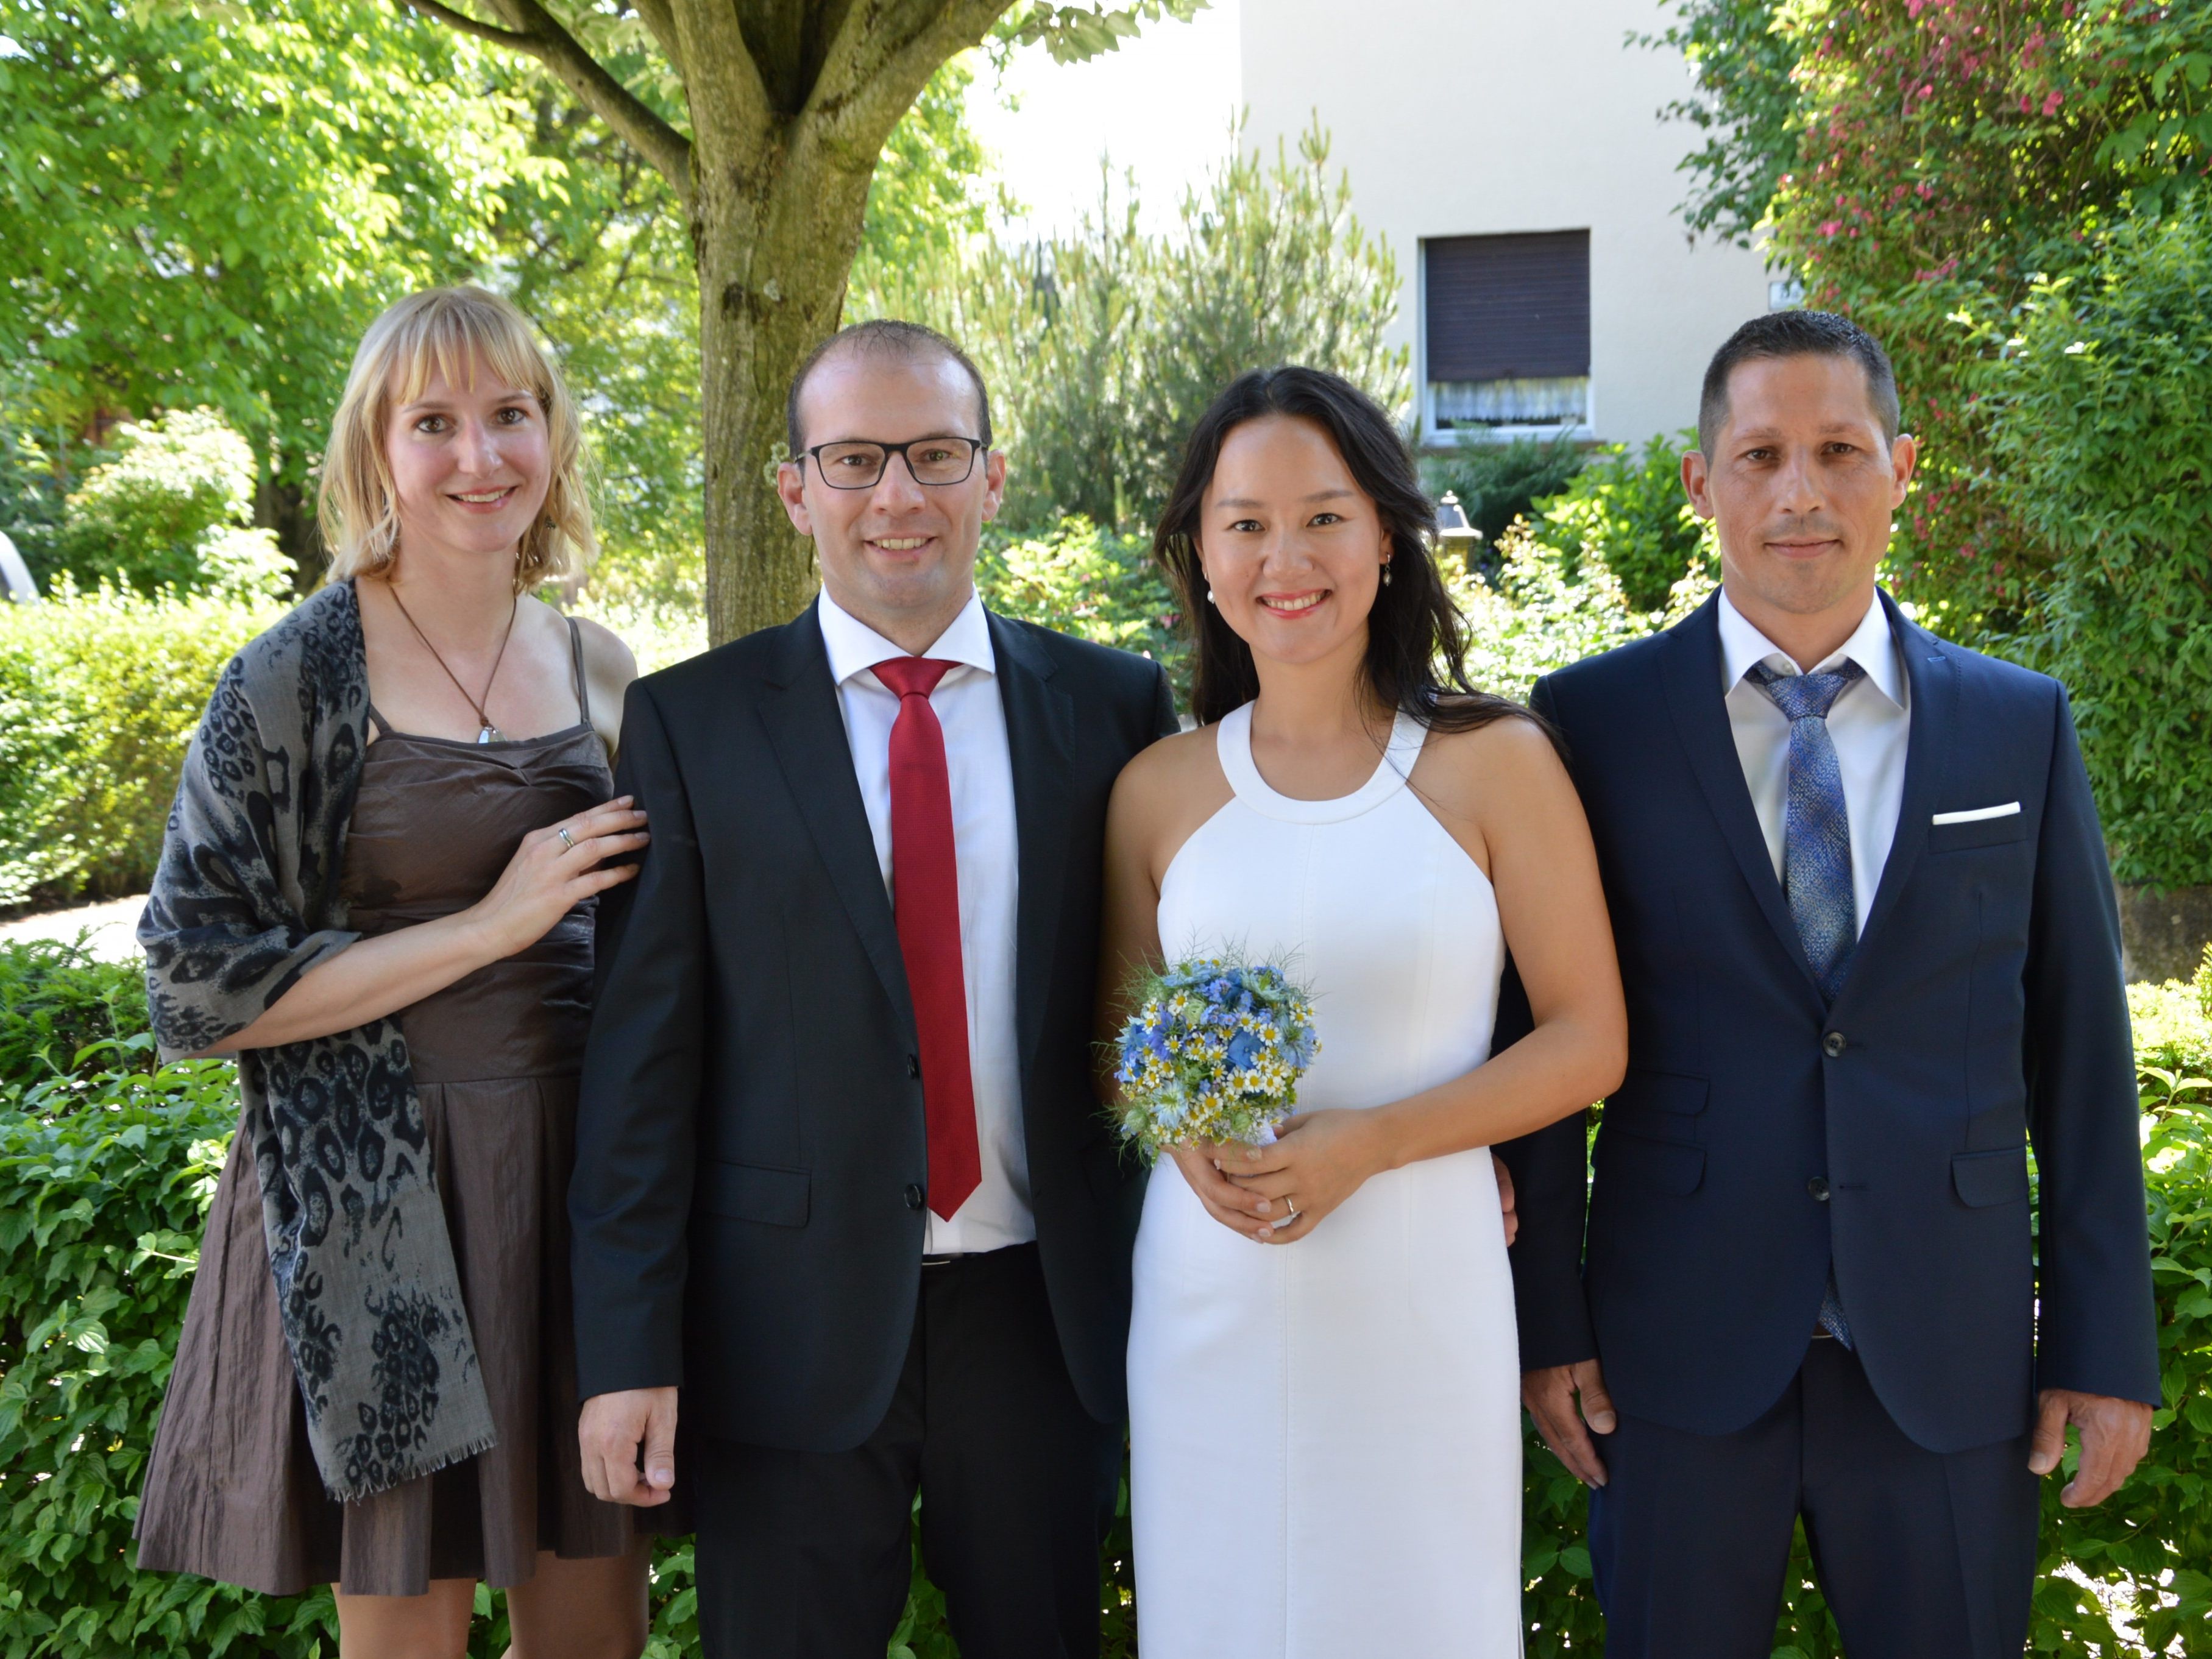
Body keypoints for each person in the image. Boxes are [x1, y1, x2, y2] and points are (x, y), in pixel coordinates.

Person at [1501, 310, 2160, 1658]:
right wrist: (1545, 1323)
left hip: (1948, 1349)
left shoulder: (2018, 724)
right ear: (1702, 482)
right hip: (1675, 1352)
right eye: (1760, 455)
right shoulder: (1587, 724)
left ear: (1900, 469)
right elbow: (1549, 1041)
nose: (1799, 491)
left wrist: (2103, 1345)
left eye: (1839, 451)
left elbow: (2083, 1056)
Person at [569, 319, 1179, 1659]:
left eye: (934, 455)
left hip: (1043, 1319)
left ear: (992, 478)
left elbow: (1156, 1007)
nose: (896, 494)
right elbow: (642, 1072)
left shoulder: (1112, 707)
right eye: (853, 459)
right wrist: (625, 1353)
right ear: (796, 490)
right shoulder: (692, 723)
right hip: (780, 1332)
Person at [133, 285, 654, 1659]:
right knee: (407, 1643)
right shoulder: (290, 683)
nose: (479, 455)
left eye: (510, 415)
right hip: (378, 1195)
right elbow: (193, 987)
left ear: (553, 435)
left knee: (596, 1637)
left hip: (577, 1192)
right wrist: (493, 925)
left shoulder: (600, 667)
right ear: (376, 448)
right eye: (433, 423)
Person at [1101, 366, 1627, 1657]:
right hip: (1209, 1290)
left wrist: (1377, 1144)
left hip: (1420, 1284)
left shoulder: (1496, 762)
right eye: (1245, 523)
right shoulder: (1155, 790)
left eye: (1324, 518)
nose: (1285, 559)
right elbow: (1117, 1046)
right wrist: (1182, 1137)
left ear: (1388, 536)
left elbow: (1588, 1038)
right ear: (1202, 554)